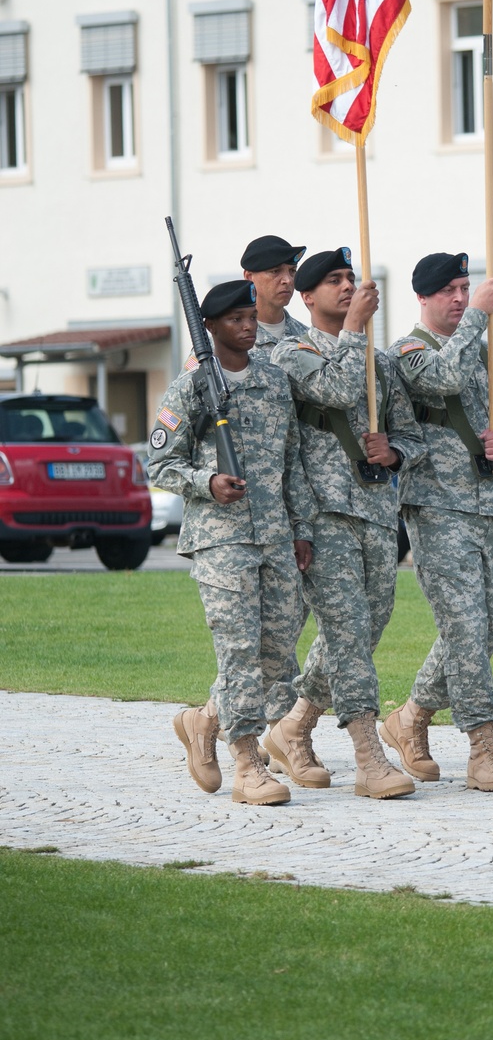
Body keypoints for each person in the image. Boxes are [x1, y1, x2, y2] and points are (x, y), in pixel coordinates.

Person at [265, 249, 424, 800]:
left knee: (368, 626)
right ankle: (368, 756)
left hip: (377, 512)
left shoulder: (380, 362)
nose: (346, 287)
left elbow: (414, 436)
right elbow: (333, 390)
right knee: (349, 632)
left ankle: (295, 724)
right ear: (307, 298)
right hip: (322, 512)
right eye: (333, 280)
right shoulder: (292, 351)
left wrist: (394, 452)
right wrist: (355, 327)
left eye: (350, 279)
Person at [149, 280, 316, 806]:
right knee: (239, 649)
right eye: (235, 319)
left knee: (276, 654)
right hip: (221, 539)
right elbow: (159, 463)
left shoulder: (273, 381)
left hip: (275, 536)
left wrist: (301, 529)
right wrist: (208, 482)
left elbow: (292, 463)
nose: (247, 327)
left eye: (251, 317)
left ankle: (204, 721)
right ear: (211, 327)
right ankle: (248, 761)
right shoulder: (192, 387)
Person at [381, 252, 493, 793]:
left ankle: (413, 715)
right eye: (448, 289)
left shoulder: (490, 356)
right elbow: (443, 381)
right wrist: (480, 317)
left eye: (465, 288)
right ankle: (482, 746)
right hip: (439, 507)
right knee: (465, 628)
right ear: (422, 297)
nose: (459, 298)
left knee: (484, 628)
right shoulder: (407, 352)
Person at [241, 235, 308, 350]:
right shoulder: (231, 341)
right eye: (275, 271)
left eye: (292, 271)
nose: (288, 280)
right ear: (249, 277)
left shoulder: (307, 339)